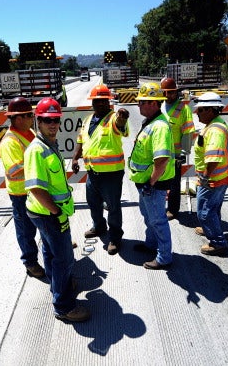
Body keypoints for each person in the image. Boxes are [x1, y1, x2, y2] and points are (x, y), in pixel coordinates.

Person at [24, 97, 90, 322]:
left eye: (55, 120)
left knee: (51, 253)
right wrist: (57, 212)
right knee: (64, 259)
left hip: (47, 212)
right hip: (47, 213)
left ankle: (56, 285)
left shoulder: (49, 144)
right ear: (38, 122)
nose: (52, 124)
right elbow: (35, 188)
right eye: (46, 120)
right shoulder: (36, 150)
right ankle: (63, 306)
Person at [72, 84, 130, 255]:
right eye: (98, 101)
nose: (101, 104)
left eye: (104, 101)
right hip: (92, 172)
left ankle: (115, 237)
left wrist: (123, 118)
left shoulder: (113, 118)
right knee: (93, 203)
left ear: (109, 102)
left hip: (111, 174)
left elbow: (121, 126)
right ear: (93, 103)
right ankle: (99, 227)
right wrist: (75, 157)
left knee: (112, 206)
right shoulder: (88, 119)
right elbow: (81, 140)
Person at [128, 82, 175, 269]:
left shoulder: (160, 127)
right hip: (146, 182)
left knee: (158, 220)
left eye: (142, 102)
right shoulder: (151, 122)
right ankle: (151, 244)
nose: (139, 105)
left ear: (154, 103)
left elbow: (161, 160)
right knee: (148, 216)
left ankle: (164, 257)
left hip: (153, 184)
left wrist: (151, 182)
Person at [0, 97, 45, 278]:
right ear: (18, 118)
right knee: (26, 232)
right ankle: (30, 263)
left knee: (42, 223)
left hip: (34, 190)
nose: (32, 117)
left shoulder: (29, 133)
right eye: (28, 115)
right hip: (21, 194)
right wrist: (38, 166)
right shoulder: (9, 142)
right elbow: (14, 171)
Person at [192, 92, 228, 256]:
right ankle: (209, 229)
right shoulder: (215, 124)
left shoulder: (215, 130)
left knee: (204, 212)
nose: (197, 113)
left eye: (201, 110)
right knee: (214, 208)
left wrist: (204, 177)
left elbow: (214, 157)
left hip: (213, 178)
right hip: (219, 177)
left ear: (212, 110)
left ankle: (218, 242)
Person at [161, 77, 195, 220]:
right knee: (159, 182)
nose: (169, 95)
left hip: (175, 155)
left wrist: (183, 152)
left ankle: (173, 210)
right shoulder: (160, 106)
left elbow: (188, 132)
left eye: (172, 92)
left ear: (176, 92)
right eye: (166, 92)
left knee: (174, 185)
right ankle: (159, 206)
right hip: (160, 153)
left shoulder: (183, 108)